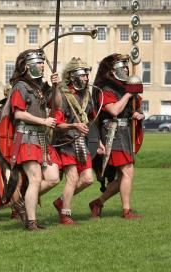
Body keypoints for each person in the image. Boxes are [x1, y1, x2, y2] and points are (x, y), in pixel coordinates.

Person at [7, 49, 62, 230]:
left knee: (53, 177)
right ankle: (32, 222)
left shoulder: (41, 87)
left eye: (42, 62)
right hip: (26, 137)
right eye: (38, 63)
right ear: (27, 66)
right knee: (36, 179)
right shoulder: (20, 86)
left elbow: (57, 104)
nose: (42, 65)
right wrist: (43, 121)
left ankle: (22, 199)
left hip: (41, 138)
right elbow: (19, 113)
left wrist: (56, 86)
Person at [88, 54, 144, 219]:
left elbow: (132, 109)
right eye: (121, 67)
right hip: (113, 133)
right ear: (111, 71)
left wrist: (137, 114)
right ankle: (126, 211)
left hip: (125, 133)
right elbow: (114, 110)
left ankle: (98, 202)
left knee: (123, 176)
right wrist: (128, 94)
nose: (126, 69)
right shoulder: (106, 90)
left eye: (127, 66)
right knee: (128, 171)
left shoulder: (123, 87)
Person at [52, 58, 104, 224]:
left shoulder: (87, 95)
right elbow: (57, 124)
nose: (86, 79)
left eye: (87, 75)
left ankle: (61, 201)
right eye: (82, 75)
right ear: (72, 76)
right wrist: (73, 125)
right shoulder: (62, 95)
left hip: (82, 142)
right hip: (66, 141)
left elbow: (90, 120)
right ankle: (65, 215)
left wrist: (99, 141)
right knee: (73, 178)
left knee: (88, 179)